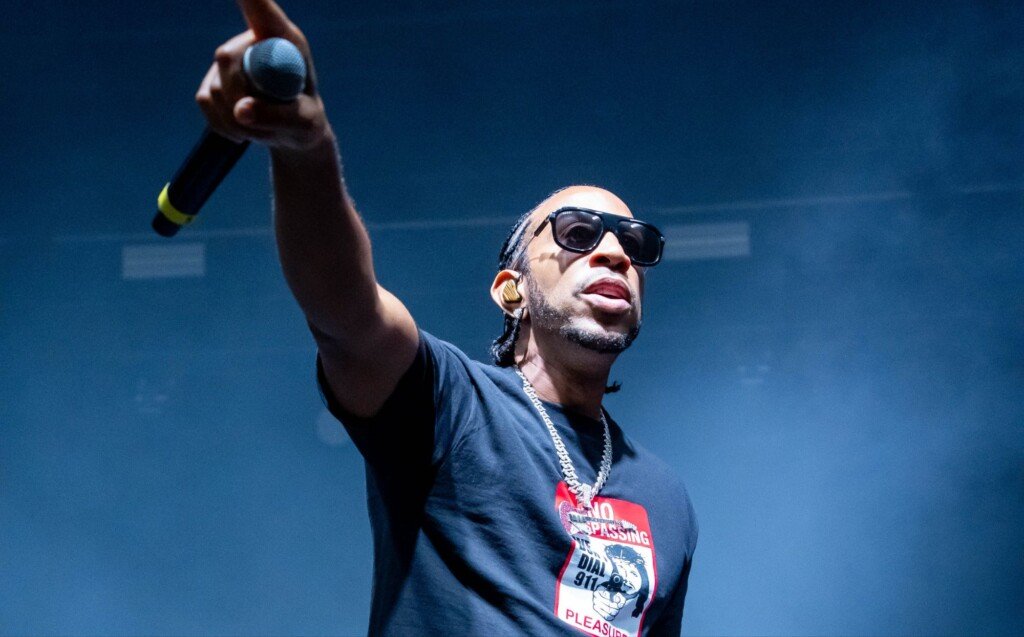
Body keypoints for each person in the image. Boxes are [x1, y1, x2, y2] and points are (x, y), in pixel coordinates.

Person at [196, 1, 698, 635]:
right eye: (576, 233)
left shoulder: (667, 497)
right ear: (510, 290)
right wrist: (307, 151)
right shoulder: (453, 405)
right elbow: (345, 309)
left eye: (635, 243)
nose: (613, 252)